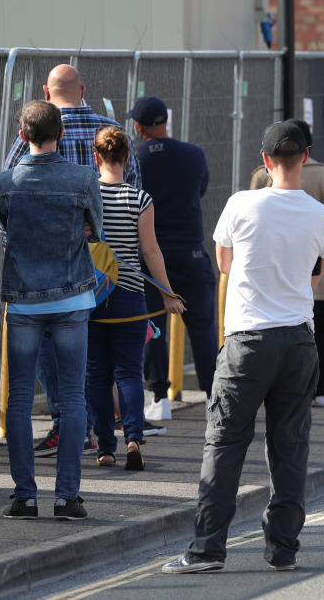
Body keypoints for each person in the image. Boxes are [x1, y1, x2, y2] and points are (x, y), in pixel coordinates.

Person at [162, 121, 324, 574]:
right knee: (291, 446)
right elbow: (314, 277)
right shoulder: (321, 215)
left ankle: (206, 550)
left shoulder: (241, 203)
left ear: (264, 161)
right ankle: (282, 550)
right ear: (305, 158)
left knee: (224, 444)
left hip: (247, 340)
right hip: (299, 339)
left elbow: (224, 263)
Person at [4, 64, 144, 457]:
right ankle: (104, 428)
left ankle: (69, 423)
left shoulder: (33, 130)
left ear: (45, 93)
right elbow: (133, 187)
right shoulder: (112, 130)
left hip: (53, 260)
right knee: (99, 354)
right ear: (83, 89)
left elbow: (13, 187)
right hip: (107, 264)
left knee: (52, 339)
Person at [0, 100, 103, 520]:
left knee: (19, 399)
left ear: (22, 136)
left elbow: (10, 227)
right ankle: (67, 497)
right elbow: (97, 230)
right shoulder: (82, 177)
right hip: (72, 294)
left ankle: (24, 496)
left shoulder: (2, 183)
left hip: (23, 298)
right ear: (61, 134)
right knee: (73, 397)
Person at [87, 126, 184, 471]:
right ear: (128, 157)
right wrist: (167, 294)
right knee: (128, 372)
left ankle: (104, 445)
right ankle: (132, 437)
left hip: (93, 297)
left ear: (95, 157)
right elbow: (150, 250)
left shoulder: (88, 198)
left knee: (96, 374)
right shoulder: (139, 199)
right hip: (130, 295)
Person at [248, 118, 324, 407]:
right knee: (321, 334)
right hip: (318, 269)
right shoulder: (323, 175)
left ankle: (273, 394)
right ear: (307, 150)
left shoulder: (261, 175)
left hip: (272, 273)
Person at [129, 96, 217, 421]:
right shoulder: (194, 155)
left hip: (150, 254)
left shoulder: (135, 158)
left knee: (153, 326)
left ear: (138, 127)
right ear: (166, 120)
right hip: (191, 250)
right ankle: (212, 398)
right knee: (203, 327)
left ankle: (159, 399)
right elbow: (201, 188)